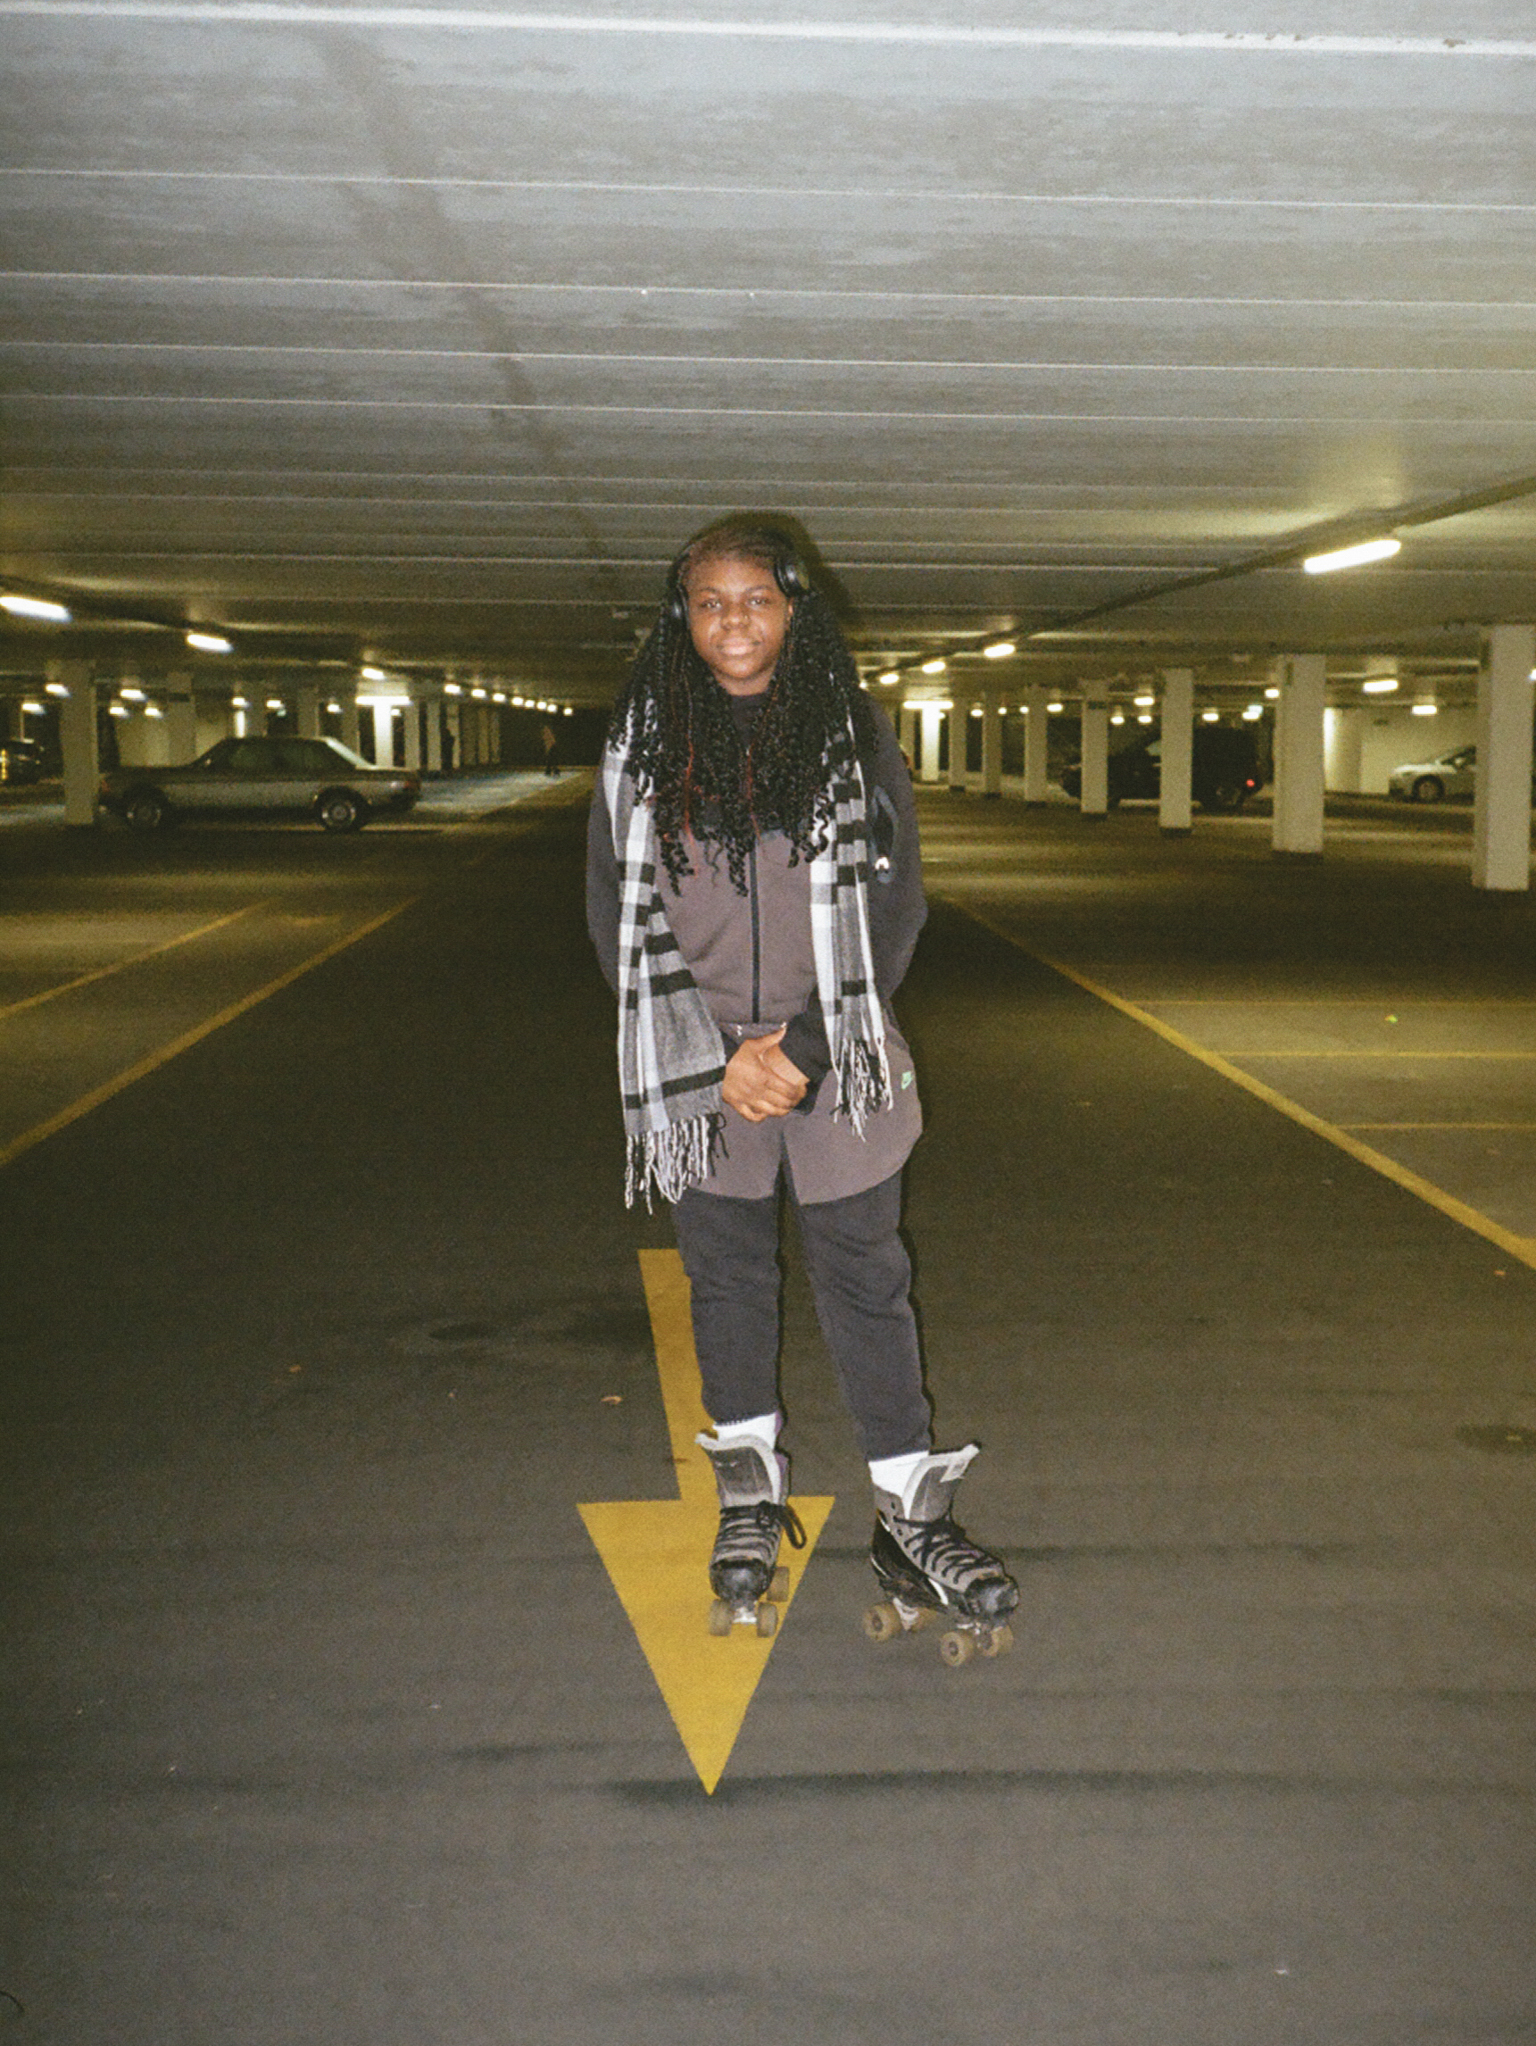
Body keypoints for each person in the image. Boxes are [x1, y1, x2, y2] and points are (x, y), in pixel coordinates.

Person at [586, 516, 1018, 1650]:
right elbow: (613, 920)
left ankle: (911, 1512)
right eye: (710, 601)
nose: (732, 619)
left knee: (865, 1273)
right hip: (698, 1056)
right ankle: (748, 1498)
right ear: (682, 616)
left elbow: (894, 904)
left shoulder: (848, 731)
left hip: (842, 1048)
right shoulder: (641, 743)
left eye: (755, 598)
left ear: (793, 609)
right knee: (725, 1278)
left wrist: (806, 1051)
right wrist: (714, 1054)